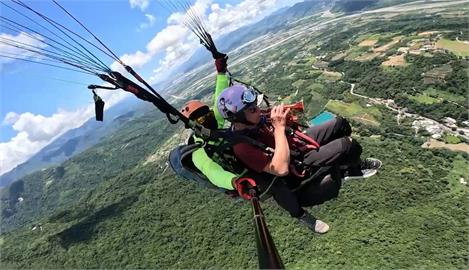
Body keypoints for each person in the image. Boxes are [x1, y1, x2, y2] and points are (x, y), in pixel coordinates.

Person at [216, 84, 382, 233]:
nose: (258, 110)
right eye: (252, 109)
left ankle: (346, 164)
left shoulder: (254, 121)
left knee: (341, 124)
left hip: (295, 144)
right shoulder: (242, 147)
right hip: (295, 163)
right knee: (347, 145)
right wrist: (279, 128)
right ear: (237, 117)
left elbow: (276, 127)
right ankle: (352, 169)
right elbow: (280, 169)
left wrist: (285, 120)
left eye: (256, 106)